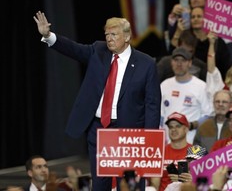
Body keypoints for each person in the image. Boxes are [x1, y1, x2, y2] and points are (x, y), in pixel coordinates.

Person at [33, 11, 161, 191]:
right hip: (99, 128)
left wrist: (150, 139)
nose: (109, 39)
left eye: (114, 34)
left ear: (127, 36)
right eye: (107, 34)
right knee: (100, 183)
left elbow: (152, 105)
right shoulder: (98, 51)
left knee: (130, 183)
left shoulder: (146, 63)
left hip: (129, 133)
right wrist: (48, 35)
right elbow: (73, 49)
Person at [160, 47, 212, 144]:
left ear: (190, 63)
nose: (179, 64)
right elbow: (160, 115)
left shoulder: (201, 86)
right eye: (176, 60)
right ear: (171, 62)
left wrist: (191, 125)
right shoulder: (164, 85)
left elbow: (208, 115)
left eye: (183, 60)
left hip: (191, 143)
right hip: (168, 144)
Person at [150, 112, 193, 191]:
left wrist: (190, 180)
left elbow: (204, 182)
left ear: (186, 129)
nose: (173, 129)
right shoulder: (159, 152)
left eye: (178, 126)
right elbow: (154, 184)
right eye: (171, 127)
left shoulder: (197, 152)